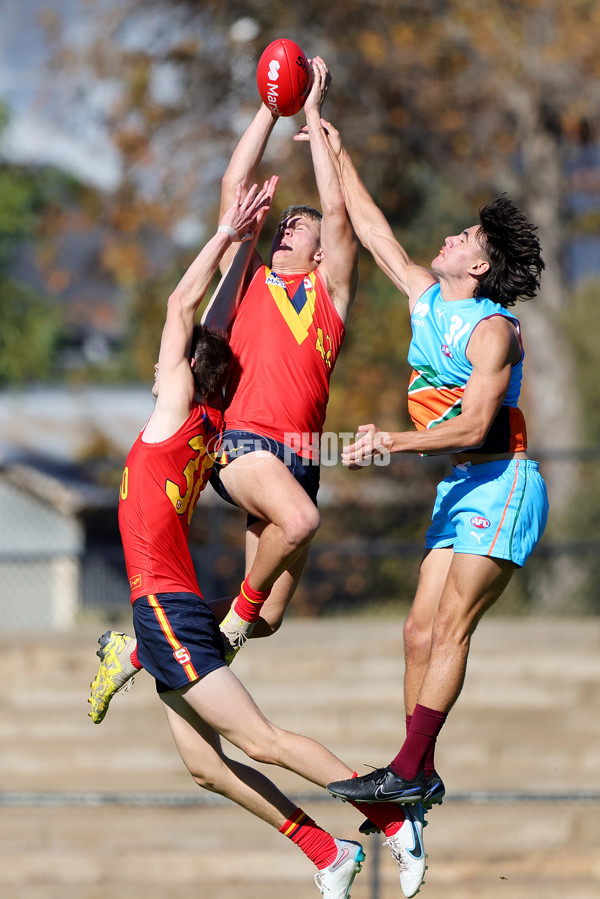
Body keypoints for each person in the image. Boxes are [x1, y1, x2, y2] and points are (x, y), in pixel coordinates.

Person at [91, 170, 427, 899]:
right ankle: (327, 851)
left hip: (170, 605)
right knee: (208, 765)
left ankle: (389, 812)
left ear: (182, 382)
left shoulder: (172, 423)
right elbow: (202, 308)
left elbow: (186, 304)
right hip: (197, 560)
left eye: (167, 365)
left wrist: (229, 231)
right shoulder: (204, 432)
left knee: (261, 733)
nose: (157, 366)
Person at [89, 56, 358, 713]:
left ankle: (130, 651)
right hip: (242, 447)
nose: (286, 229)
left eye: (300, 228)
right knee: (296, 524)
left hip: (299, 458)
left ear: (320, 253)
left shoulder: (330, 296)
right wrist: (271, 105)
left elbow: (340, 214)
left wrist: (317, 118)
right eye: (284, 226)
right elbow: (236, 185)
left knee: (266, 615)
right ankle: (230, 618)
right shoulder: (250, 283)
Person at [312, 121, 549, 814]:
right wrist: (333, 142)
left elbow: (476, 425)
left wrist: (389, 440)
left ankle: (409, 770)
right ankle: (418, 770)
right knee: (416, 630)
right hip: (460, 487)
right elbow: (372, 228)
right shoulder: (426, 298)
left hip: (502, 480)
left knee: (450, 627)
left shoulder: (491, 329)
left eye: (465, 239)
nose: (450, 237)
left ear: (478, 267)